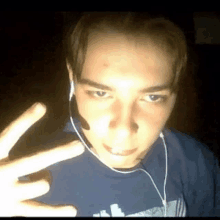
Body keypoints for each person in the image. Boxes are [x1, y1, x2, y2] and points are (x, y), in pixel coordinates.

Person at [0, 12, 219, 217]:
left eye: (153, 97)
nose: (123, 129)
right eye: (101, 93)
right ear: (72, 78)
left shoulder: (194, 161)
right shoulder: (23, 181)